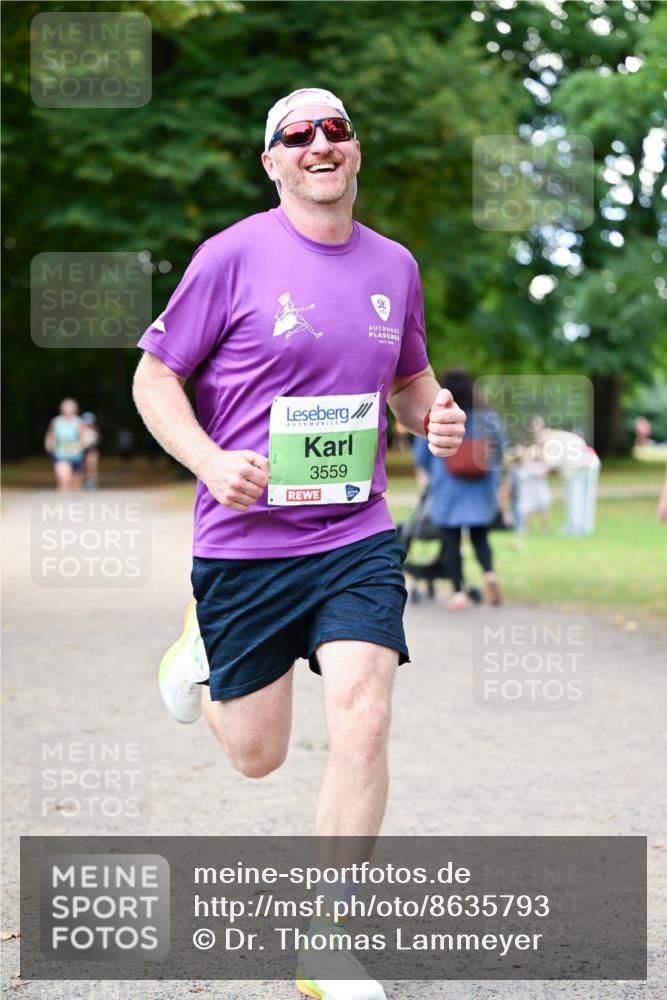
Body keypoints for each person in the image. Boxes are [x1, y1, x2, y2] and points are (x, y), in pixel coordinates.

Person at [132, 87, 466, 1000]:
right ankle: (203, 654)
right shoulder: (229, 257)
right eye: (297, 134)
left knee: (365, 715)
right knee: (256, 755)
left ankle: (327, 942)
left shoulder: (394, 265)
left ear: (355, 152)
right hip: (243, 542)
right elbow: (154, 378)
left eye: (336, 129)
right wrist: (207, 460)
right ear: (273, 161)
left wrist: (432, 416)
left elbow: (409, 380)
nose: (320, 143)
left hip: (353, 533)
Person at [412, 369, 504, 611]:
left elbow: (422, 454)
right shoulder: (489, 417)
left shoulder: (439, 416)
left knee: (451, 539)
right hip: (482, 486)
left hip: (448, 486)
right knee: (480, 536)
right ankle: (489, 573)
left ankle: (457, 591)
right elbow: (501, 449)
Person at [531, 417, 600, 536]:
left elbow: (550, 464)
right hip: (592, 463)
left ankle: (574, 528)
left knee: (574, 498)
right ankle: (585, 528)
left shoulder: (551, 441)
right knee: (587, 497)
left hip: (577, 468)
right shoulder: (562, 435)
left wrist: (536, 474)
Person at [44, 398, 85, 491]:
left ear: (75, 409)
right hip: (60, 454)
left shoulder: (78, 422)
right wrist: (49, 444)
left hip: (76, 456)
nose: (68, 409)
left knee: (76, 484)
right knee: (64, 478)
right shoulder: (56, 421)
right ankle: (63, 502)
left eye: (70, 406)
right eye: (66, 406)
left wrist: (79, 446)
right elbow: (50, 435)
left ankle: (75, 503)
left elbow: (85, 438)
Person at [81, 412, 100, 489]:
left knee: (92, 465)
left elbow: (96, 441)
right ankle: (83, 481)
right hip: (82, 451)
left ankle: (92, 481)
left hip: (92, 451)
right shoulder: (79, 429)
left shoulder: (95, 430)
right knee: (82, 467)